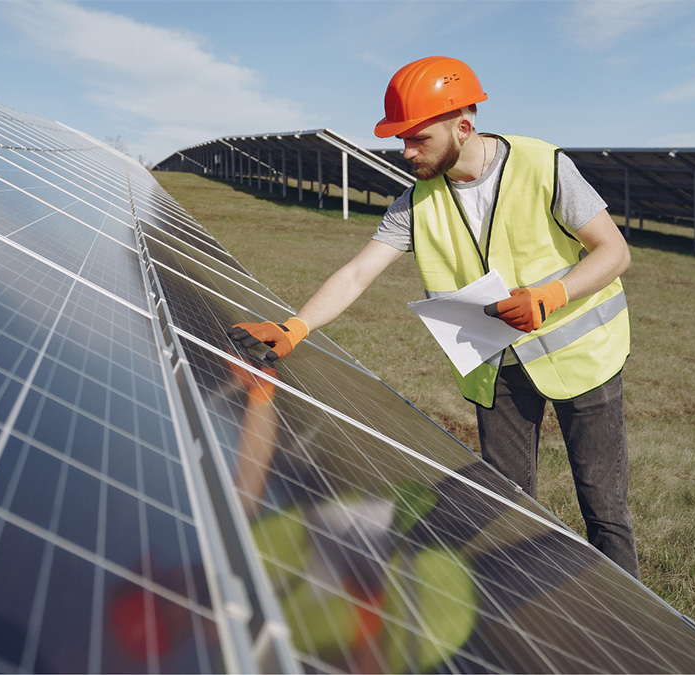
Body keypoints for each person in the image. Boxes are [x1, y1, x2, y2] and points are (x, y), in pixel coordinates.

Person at [227, 56, 639, 579]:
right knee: (504, 504)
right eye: (401, 139)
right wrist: (296, 326)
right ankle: (515, 619)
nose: (405, 152)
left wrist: (550, 294)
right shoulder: (416, 201)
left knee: (605, 511)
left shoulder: (542, 165)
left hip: (584, 357)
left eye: (417, 138)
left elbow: (614, 252)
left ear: (462, 127)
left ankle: (637, 628)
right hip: (497, 367)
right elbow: (358, 273)